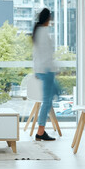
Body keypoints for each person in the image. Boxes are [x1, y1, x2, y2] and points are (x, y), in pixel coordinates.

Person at [32, 8, 58, 141]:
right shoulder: (43, 32)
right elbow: (47, 54)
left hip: (42, 70)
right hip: (46, 70)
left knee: (55, 93)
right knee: (47, 101)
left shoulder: (37, 31)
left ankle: (41, 130)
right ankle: (40, 131)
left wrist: (36, 70)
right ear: (48, 18)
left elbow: (36, 54)